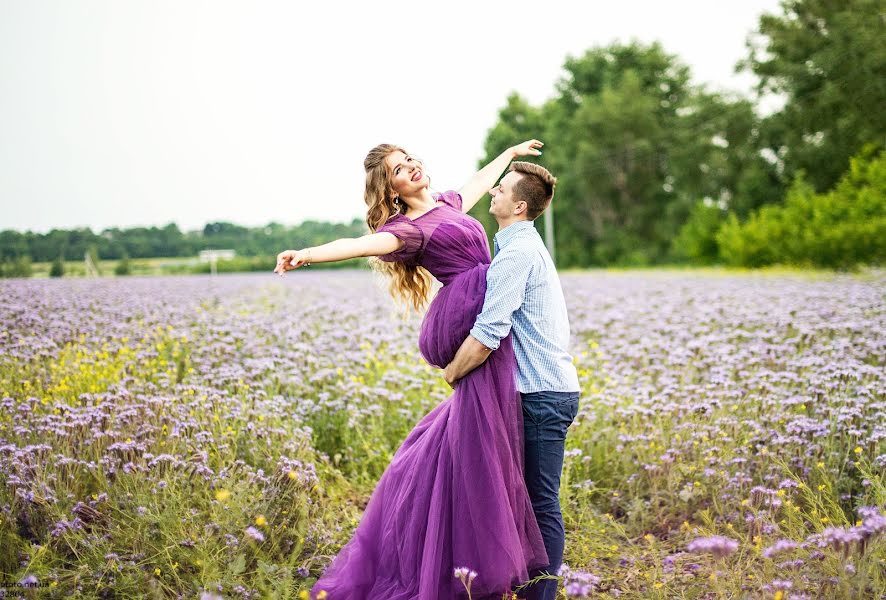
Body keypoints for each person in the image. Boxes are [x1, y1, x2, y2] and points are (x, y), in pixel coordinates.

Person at [274, 140, 550, 599]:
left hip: (480, 299)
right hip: (467, 309)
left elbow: (480, 180)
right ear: (393, 189)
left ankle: (470, 538)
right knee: (484, 421)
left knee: (475, 424)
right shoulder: (408, 229)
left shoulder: (447, 203)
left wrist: (510, 152)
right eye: (399, 170)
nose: (412, 168)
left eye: (410, 160)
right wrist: (306, 253)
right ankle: (482, 560)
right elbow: (357, 244)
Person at [441, 161, 581, 600]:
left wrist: (451, 372)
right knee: (526, 501)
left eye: (499, 190)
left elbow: (487, 334)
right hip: (545, 391)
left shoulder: (517, 255)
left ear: (518, 206)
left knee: (540, 504)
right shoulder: (520, 248)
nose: (493, 195)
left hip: (540, 396)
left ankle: (540, 595)